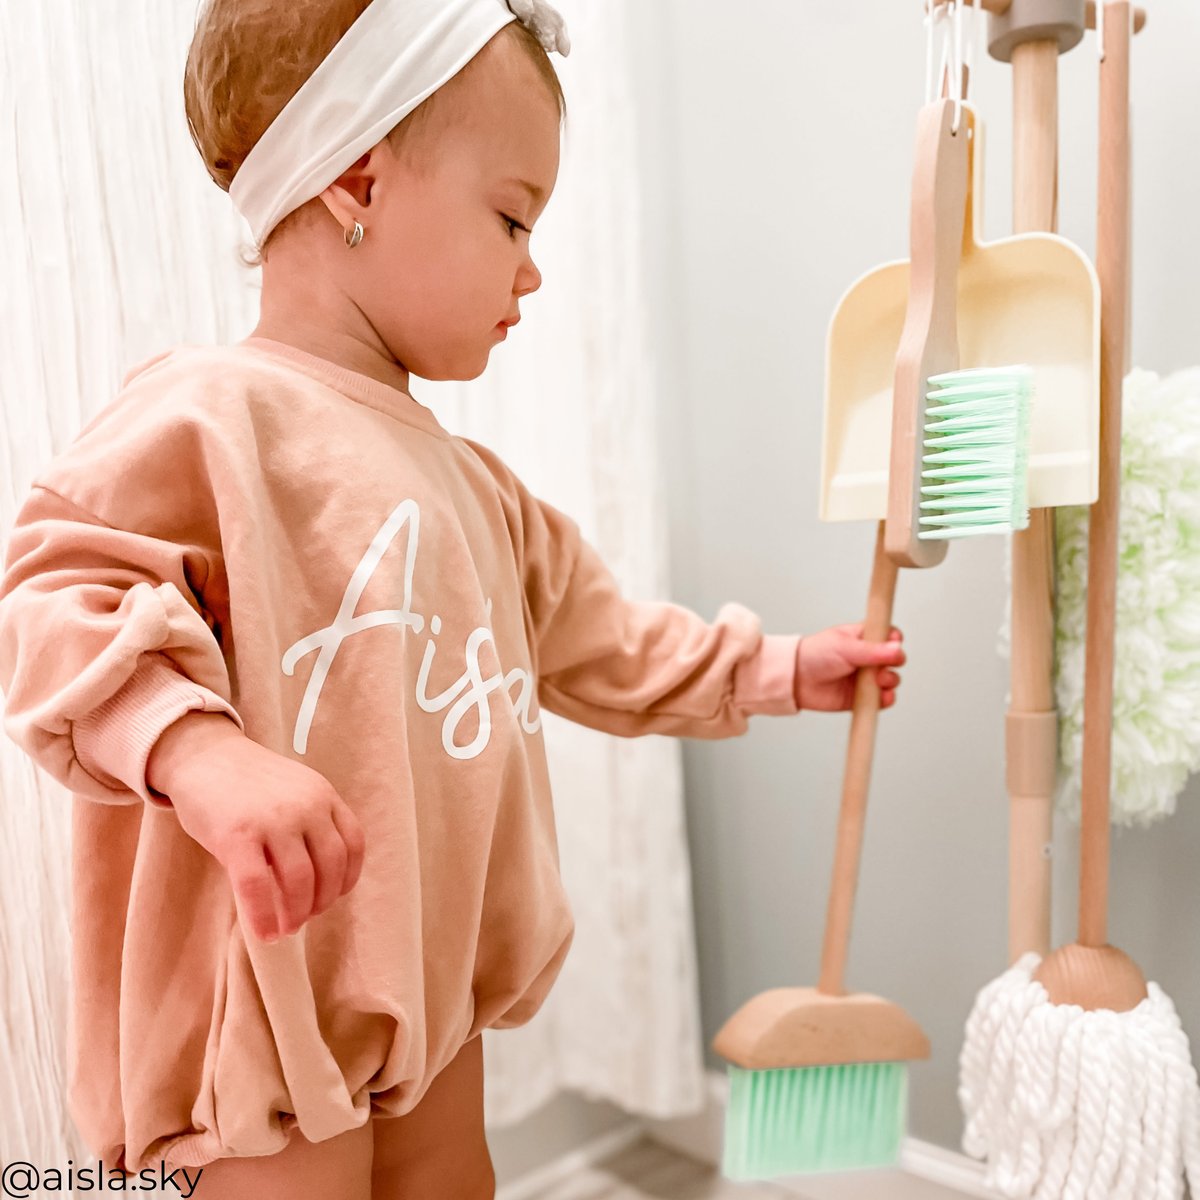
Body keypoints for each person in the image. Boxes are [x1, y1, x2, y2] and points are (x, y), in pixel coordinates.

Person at [0, 1, 906, 1196]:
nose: (533, 268)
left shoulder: (475, 486)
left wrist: (778, 669)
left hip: (430, 1001)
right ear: (358, 181)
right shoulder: (211, 415)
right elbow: (53, 597)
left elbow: (600, 637)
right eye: (513, 217)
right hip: (267, 1026)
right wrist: (198, 751)